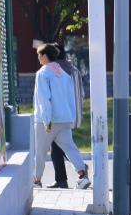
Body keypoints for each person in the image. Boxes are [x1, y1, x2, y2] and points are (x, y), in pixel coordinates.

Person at [32, 43, 90, 190]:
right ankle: (83, 175)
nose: (38, 57)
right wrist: (70, 116)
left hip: (48, 121)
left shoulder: (42, 74)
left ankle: (36, 180)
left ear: (45, 56)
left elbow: (44, 99)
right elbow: (71, 98)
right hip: (65, 118)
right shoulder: (64, 74)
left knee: (40, 151)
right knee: (70, 148)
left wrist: (46, 120)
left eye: (39, 55)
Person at [45, 45, 84, 189]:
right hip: (72, 114)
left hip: (58, 116)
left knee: (58, 147)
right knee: (63, 146)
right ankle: (78, 172)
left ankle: (72, 175)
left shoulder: (54, 71)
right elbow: (81, 93)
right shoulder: (74, 69)